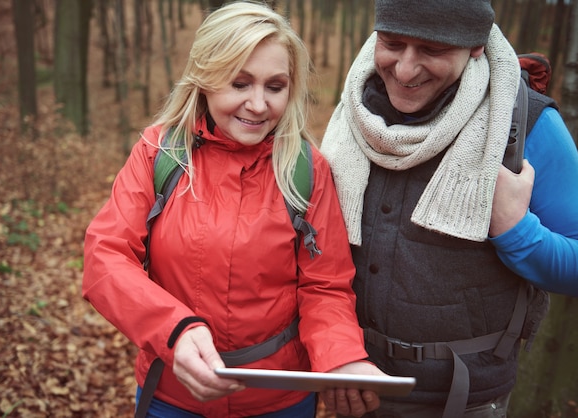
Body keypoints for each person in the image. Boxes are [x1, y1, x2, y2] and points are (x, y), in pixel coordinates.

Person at [83, 2, 387, 417]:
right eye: (239, 84)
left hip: (281, 402)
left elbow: (325, 286)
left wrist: (342, 356)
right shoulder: (160, 153)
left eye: (274, 87)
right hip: (171, 397)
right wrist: (173, 331)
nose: (258, 105)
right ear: (205, 80)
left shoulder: (306, 170)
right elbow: (106, 257)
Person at [320, 0, 578, 417]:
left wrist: (517, 231)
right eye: (392, 43)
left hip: (464, 401)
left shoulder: (527, 125)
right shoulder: (354, 114)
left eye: (432, 50)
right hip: (353, 386)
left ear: (475, 46)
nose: (405, 70)